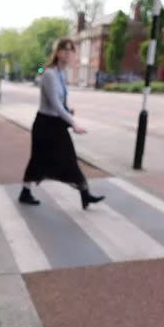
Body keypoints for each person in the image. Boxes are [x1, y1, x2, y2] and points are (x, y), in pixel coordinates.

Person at [19, 38, 104, 210]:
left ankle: (85, 194)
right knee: (38, 159)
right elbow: (54, 105)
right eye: (64, 50)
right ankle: (25, 192)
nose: (67, 53)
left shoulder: (62, 73)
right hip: (45, 125)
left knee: (70, 158)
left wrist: (68, 109)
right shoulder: (49, 74)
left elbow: (61, 102)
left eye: (70, 50)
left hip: (56, 124)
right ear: (57, 52)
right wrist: (73, 123)